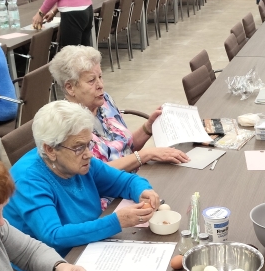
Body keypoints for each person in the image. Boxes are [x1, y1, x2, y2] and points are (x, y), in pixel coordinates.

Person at [3, 101, 160, 271]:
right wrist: (116, 221)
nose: (88, 154)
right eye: (79, 147)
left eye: (89, 144)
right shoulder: (28, 180)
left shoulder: (79, 162)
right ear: (50, 150)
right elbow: (53, 236)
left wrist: (143, 191)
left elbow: (124, 181)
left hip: (87, 252)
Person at [49, 46, 189, 185]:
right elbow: (94, 175)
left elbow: (126, 147)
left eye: (100, 77)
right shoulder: (67, 125)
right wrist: (146, 155)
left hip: (134, 178)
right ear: (70, 87)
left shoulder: (104, 101)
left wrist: (148, 128)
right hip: (109, 192)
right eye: (91, 80)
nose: (100, 85)